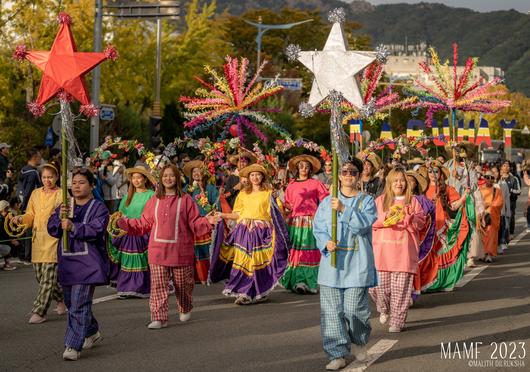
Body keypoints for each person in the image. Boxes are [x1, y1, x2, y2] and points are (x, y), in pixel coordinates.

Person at [117, 164, 218, 329]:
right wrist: (123, 222)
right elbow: (144, 223)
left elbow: (194, 222)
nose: (168, 179)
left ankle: (185, 306)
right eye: (165, 176)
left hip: (181, 251)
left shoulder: (186, 200)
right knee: (158, 286)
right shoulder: (154, 200)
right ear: (160, 179)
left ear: (177, 178)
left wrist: (208, 221)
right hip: (157, 251)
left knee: (183, 285)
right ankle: (159, 317)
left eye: (171, 176)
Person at [312, 157, 377, 370]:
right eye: (344, 172)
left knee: (354, 309)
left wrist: (343, 209)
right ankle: (336, 353)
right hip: (331, 265)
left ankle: (359, 341)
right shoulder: (326, 202)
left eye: (353, 172)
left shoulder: (366, 201)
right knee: (331, 311)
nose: (348, 176)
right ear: (338, 175)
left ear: (359, 176)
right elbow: (318, 228)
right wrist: (325, 242)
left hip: (357, 263)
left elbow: (363, 225)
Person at [47, 169, 110, 361]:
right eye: (74, 182)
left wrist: (74, 227)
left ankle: (72, 345)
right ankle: (91, 331)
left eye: (82, 182)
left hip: (88, 264)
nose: (76, 186)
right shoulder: (65, 206)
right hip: (67, 262)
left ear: (91, 186)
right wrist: (59, 219)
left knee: (79, 303)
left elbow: (97, 229)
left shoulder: (99, 208)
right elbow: (51, 228)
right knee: (70, 302)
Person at [213, 163, 289, 305]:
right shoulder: (243, 194)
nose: (255, 177)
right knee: (243, 262)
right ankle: (245, 292)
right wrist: (223, 215)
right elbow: (237, 214)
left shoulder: (268, 194)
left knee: (257, 263)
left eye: (258, 174)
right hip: (243, 232)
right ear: (248, 177)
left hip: (261, 232)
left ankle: (257, 291)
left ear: (263, 177)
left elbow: (277, 214)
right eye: (252, 175)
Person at [370, 168, 425, 333]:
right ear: (389, 183)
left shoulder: (413, 202)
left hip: (404, 255)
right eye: (395, 180)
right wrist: (384, 220)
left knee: (400, 291)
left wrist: (411, 218)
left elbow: (421, 223)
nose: (399, 183)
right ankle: (384, 308)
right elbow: (370, 221)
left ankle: (397, 321)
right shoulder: (380, 201)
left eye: (402, 180)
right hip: (382, 254)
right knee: (378, 288)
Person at [13, 163, 65, 323]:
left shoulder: (61, 194)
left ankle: (39, 311)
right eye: (44, 177)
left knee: (48, 278)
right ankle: (62, 300)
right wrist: (21, 219)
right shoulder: (35, 193)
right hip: (37, 241)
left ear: (57, 177)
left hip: (54, 240)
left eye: (50, 177)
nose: (47, 180)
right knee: (40, 277)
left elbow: (64, 215)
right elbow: (30, 214)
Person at [281, 155, 328, 294]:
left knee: (310, 252)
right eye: (301, 166)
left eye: (307, 167)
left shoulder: (316, 184)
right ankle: (297, 281)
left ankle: (310, 282)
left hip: (311, 221)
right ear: (297, 168)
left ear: (310, 169)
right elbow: (288, 204)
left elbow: (325, 201)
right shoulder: (291, 185)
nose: (304, 169)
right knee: (297, 252)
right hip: (295, 222)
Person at [107, 167, 156, 298]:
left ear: (145, 179)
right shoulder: (128, 196)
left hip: (142, 232)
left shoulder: (151, 195)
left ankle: (140, 287)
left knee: (141, 260)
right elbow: (121, 213)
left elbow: (152, 215)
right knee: (127, 260)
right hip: (128, 233)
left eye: (139, 177)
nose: (136, 180)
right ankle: (127, 288)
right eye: (134, 178)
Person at [424, 160, 471, 292]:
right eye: (430, 171)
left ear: (441, 174)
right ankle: (428, 281)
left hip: (443, 228)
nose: (433, 174)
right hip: (426, 229)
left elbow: (454, 206)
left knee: (440, 255)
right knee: (427, 256)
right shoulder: (422, 189)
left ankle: (442, 282)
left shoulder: (448, 189)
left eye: (436, 171)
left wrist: (464, 197)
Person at [183, 160, 220, 284]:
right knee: (192, 251)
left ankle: (207, 275)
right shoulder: (188, 189)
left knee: (206, 249)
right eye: (194, 172)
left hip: (205, 223)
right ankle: (195, 277)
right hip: (191, 223)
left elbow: (216, 204)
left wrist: (211, 212)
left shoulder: (210, 188)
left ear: (204, 173)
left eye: (199, 171)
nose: (197, 173)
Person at [405, 170, 436, 301]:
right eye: (406, 180)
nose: (408, 183)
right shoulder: (394, 199)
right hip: (397, 239)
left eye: (411, 180)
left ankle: (410, 294)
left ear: (416, 184)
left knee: (411, 265)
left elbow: (428, 218)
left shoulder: (422, 200)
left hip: (415, 238)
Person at [479, 171, 504, 263]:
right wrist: (482, 208)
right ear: (484, 178)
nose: (489, 179)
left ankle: (488, 254)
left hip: (492, 216)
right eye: (487, 177)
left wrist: (489, 205)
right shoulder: (479, 189)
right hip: (481, 215)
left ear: (494, 180)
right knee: (481, 235)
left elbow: (500, 203)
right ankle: (482, 254)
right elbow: (475, 201)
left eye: (492, 178)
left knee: (490, 234)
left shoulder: (497, 190)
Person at [500, 161, 520, 235]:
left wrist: (510, 191)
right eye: (504, 166)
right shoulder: (498, 178)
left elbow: (518, 191)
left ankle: (510, 233)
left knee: (510, 217)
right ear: (501, 167)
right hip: (500, 201)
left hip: (511, 202)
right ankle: (502, 234)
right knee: (501, 218)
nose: (506, 167)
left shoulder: (514, 179)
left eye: (508, 166)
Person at [0, 200, 17, 271]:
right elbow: (3, 234)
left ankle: (7, 263)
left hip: (2, 240)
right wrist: (11, 240)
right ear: (3, 209)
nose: (8, 211)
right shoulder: (1, 219)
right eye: (7, 209)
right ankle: (7, 264)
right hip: (2, 242)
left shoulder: (4, 218)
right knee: (9, 247)